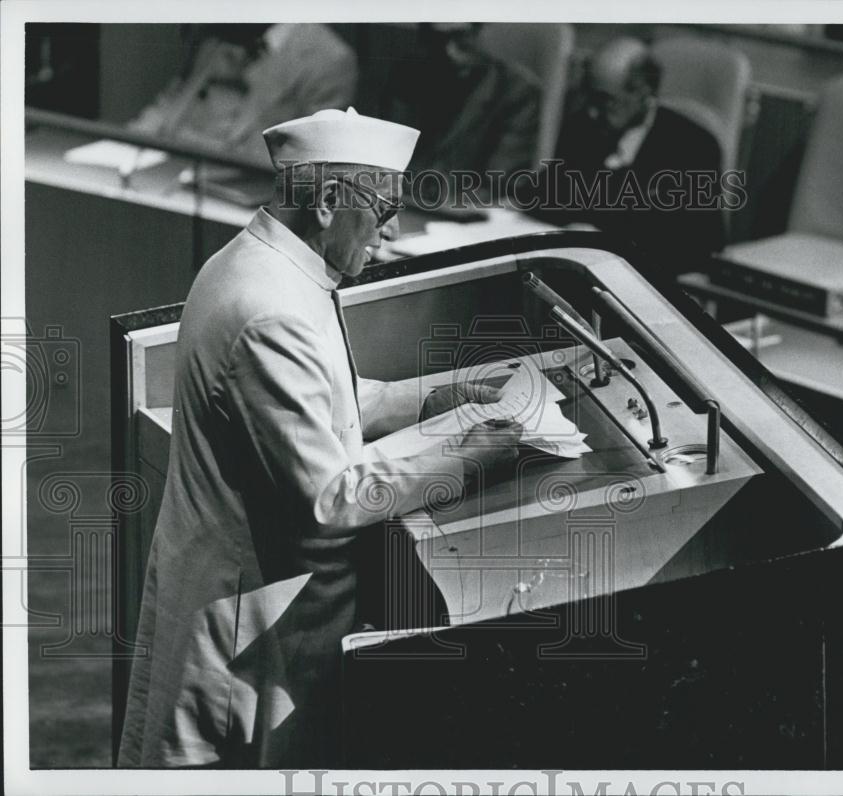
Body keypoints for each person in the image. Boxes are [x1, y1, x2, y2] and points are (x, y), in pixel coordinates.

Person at [117, 108, 522, 768]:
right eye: (384, 211)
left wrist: (437, 396)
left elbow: (331, 401)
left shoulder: (270, 266)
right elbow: (331, 496)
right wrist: (478, 454)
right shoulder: (269, 306)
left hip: (258, 606)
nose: (391, 234)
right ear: (331, 200)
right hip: (252, 626)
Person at [531, 37, 726, 292]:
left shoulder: (694, 147)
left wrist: (607, 240)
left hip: (649, 287)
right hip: (573, 274)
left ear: (644, 93)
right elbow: (545, 197)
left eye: (606, 100)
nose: (593, 111)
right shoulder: (583, 126)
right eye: (590, 97)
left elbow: (698, 247)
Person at [129, 24, 358, 167]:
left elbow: (310, 166)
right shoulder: (214, 34)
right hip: (167, 174)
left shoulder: (330, 60)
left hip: (244, 204)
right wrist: (125, 150)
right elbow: (169, 103)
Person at [375, 23, 540, 204]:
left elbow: (500, 183)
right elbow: (385, 159)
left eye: (461, 37)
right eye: (437, 39)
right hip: (401, 202)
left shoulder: (517, 93)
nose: (449, 51)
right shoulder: (410, 73)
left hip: (463, 213)